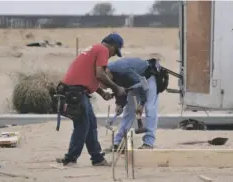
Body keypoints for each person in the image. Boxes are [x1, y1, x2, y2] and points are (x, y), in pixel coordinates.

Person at [55, 33, 127, 166]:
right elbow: (100, 74)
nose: (113, 55)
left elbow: (89, 75)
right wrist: (117, 88)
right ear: (111, 45)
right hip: (75, 92)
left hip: (75, 90)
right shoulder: (103, 50)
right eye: (115, 51)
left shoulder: (93, 49)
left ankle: (97, 158)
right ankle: (70, 158)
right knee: (82, 125)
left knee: (91, 124)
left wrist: (102, 93)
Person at [102, 57, 160, 150]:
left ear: (107, 72)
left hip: (148, 77)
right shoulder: (106, 74)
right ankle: (118, 143)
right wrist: (119, 104)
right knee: (129, 110)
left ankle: (148, 142)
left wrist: (141, 104)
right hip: (134, 81)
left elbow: (141, 85)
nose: (107, 85)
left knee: (150, 107)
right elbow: (119, 88)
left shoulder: (122, 70)